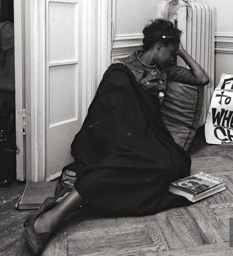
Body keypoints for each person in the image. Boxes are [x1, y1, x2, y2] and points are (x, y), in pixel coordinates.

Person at [23, 18, 209, 255]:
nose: (173, 58)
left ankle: (63, 202)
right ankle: (50, 219)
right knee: (127, 162)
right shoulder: (121, 70)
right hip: (118, 135)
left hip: (148, 134)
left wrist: (181, 51)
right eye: (171, 52)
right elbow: (111, 109)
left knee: (169, 165)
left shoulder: (167, 69)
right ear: (158, 46)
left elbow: (202, 79)